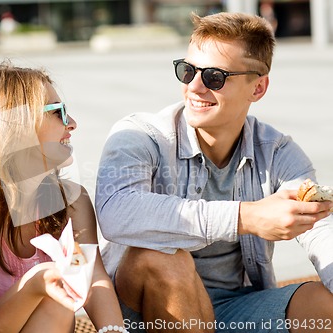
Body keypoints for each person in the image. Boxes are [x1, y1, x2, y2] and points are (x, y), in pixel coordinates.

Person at [96, 12, 333, 333]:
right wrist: (245, 217)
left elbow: (322, 232)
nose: (194, 87)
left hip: (237, 307)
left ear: (258, 88)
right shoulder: (139, 135)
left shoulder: (277, 151)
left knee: (325, 306)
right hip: (146, 314)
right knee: (166, 260)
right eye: (187, 70)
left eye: (214, 77)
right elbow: (117, 212)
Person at [0, 63, 125, 333]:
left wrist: (114, 331)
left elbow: (92, 278)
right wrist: (35, 285)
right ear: (14, 127)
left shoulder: (72, 202)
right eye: (57, 113)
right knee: (53, 292)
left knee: (57, 297)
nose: (73, 123)